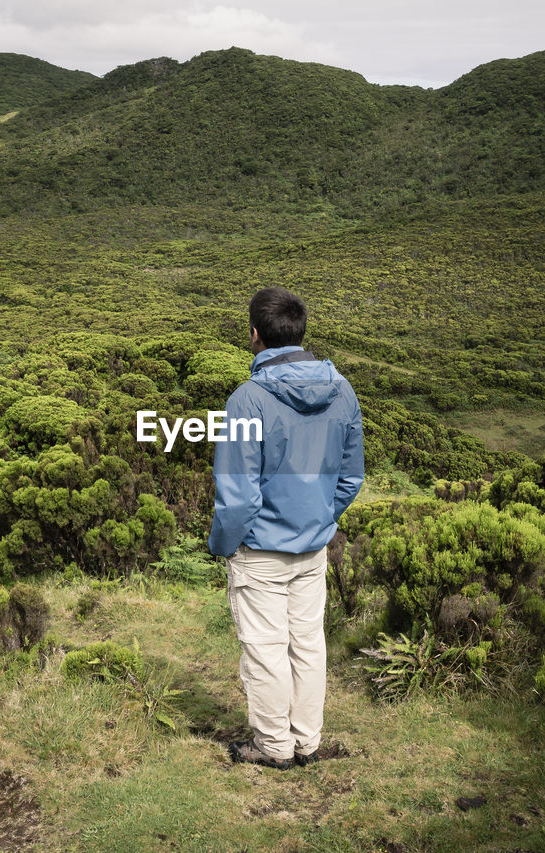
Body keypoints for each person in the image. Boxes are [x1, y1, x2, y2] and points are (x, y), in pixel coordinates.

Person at [207, 286, 364, 770]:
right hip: (313, 548)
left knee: (266, 652)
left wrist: (222, 546)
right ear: (300, 331)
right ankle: (307, 741)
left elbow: (237, 495)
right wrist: (319, 517)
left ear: (254, 334)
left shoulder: (247, 400)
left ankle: (273, 746)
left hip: (260, 552)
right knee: (308, 646)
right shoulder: (343, 391)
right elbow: (350, 477)